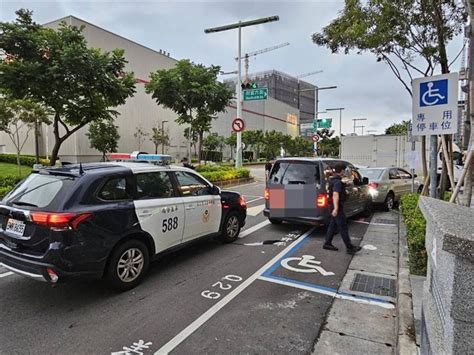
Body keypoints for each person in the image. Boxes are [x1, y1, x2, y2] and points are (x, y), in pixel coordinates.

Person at [323, 162, 362, 255]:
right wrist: (336, 209)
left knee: (333, 225)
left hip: (332, 205)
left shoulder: (332, 180)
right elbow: (335, 194)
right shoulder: (337, 182)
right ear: (341, 171)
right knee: (343, 226)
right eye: (344, 170)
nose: (344, 172)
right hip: (336, 206)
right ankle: (349, 247)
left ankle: (327, 243)